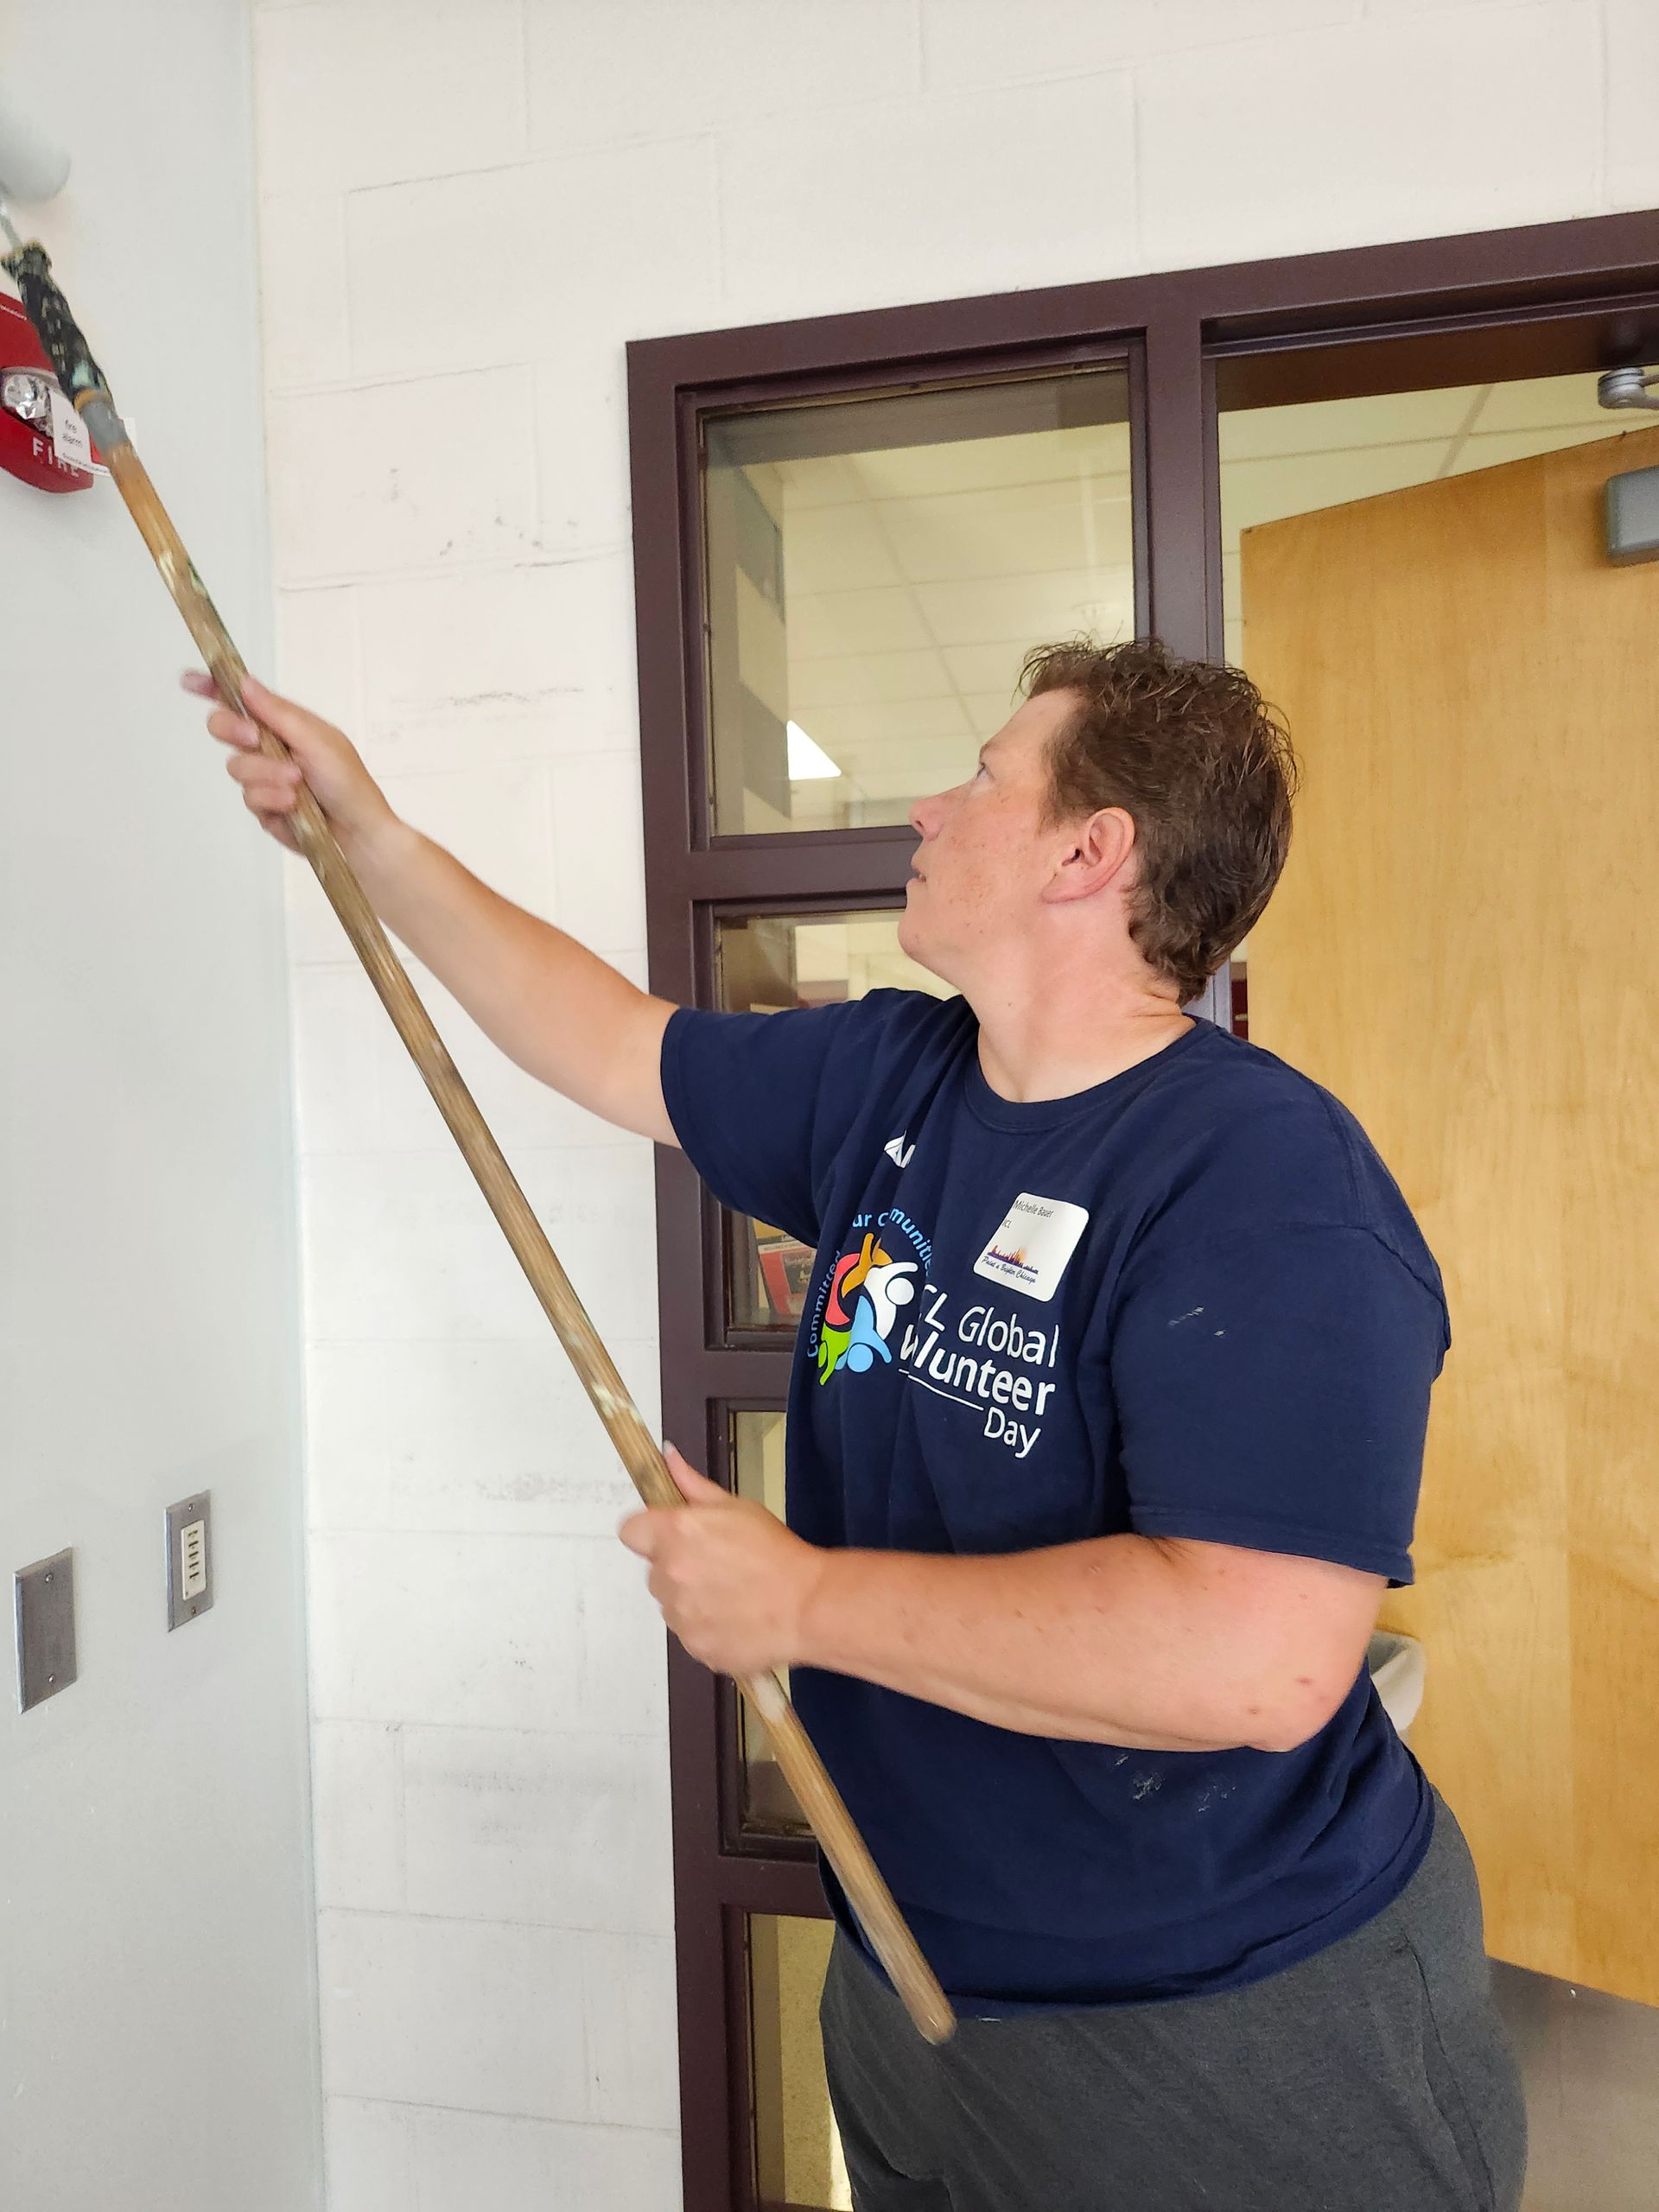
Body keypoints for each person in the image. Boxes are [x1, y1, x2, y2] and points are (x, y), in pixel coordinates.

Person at [188, 639, 1528, 2212]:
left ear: (1090, 853)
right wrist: (372, 836)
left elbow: (1263, 1660)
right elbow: (613, 1040)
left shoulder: (1266, 1186)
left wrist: (804, 1599)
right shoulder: (896, 1075)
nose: (929, 805)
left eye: (982, 776)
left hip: (1221, 2013)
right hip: (909, 1968)